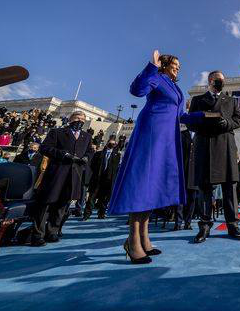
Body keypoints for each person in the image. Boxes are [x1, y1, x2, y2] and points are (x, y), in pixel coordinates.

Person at [108, 51, 204, 264]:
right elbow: (137, 90)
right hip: (150, 134)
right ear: (164, 64)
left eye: (179, 65)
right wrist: (152, 66)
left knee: (153, 186)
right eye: (174, 64)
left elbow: (182, 116)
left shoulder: (176, 88)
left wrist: (205, 117)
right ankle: (133, 240)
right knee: (142, 183)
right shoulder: (156, 77)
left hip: (168, 139)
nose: (178, 67)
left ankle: (144, 237)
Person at [187, 70, 240, 243]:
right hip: (205, 145)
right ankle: (204, 226)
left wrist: (227, 123)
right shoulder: (198, 100)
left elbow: (239, 120)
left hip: (225, 145)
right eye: (218, 80)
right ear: (210, 81)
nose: (221, 82)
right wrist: (205, 124)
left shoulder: (231, 101)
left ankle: (232, 225)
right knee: (205, 188)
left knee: (229, 187)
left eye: (223, 80)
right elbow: (190, 123)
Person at [31, 111, 91, 247]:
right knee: (47, 203)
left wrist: (87, 157)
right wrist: (63, 155)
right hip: (57, 172)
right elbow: (44, 148)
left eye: (82, 119)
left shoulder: (86, 136)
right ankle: (37, 234)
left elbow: (88, 151)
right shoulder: (57, 132)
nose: (80, 120)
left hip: (74, 174)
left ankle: (53, 231)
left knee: (63, 204)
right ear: (70, 119)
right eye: (77, 118)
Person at [83, 140, 121, 220]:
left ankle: (101, 214)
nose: (111, 145)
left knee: (104, 199)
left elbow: (117, 168)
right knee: (91, 198)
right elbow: (92, 165)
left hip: (108, 180)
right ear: (107, 143)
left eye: (113, 144)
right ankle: (86, 214)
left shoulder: (117, 155)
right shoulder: (98, 154)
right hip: (97, 179)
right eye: (110, 143)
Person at [173, 121, 197, 231]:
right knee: (180, 199)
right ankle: (178, 222)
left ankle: (188, 222)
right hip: (182, 171)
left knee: (192, 199)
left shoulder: (199, 136)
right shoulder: (182, 135)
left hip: (194, 174)